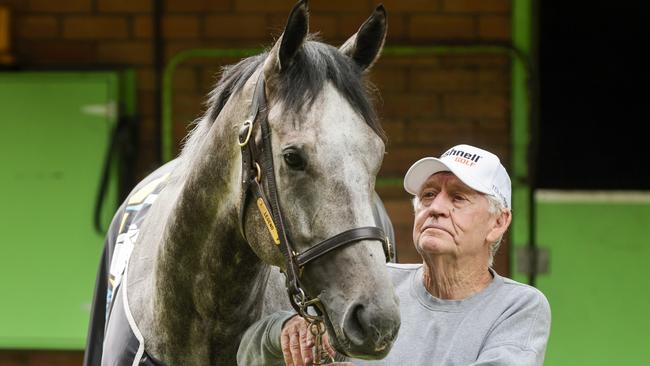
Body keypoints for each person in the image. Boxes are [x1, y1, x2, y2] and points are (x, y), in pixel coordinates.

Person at [237, 144, 551, 366]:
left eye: (458, 198)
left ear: (498, 222)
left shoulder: (518, 307)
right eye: (429, 195)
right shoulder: (378, 284)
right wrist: (284, 332)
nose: (436, 208)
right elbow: (246, 354)